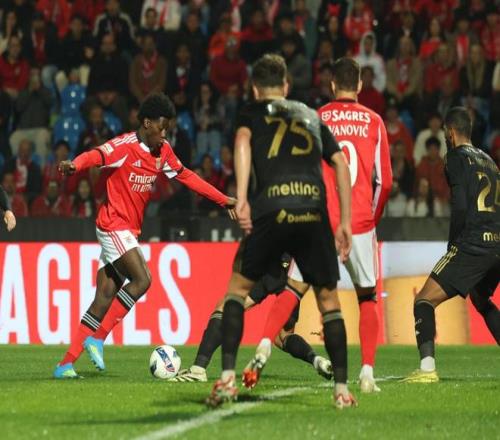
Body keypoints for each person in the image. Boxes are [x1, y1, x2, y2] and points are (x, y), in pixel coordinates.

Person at [206, 54, 355, 409]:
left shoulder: (252, 112)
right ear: (286, 86)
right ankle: (342, 390)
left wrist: (242, 197)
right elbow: (340, 163)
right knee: (329, 302)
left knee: (236, 292)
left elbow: (242, 143)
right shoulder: (311, 114)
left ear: (255, 89)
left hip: (272, 208)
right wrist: (346, 221)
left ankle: (227, 379)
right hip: (313, 211)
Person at [53, 93, 236, 379]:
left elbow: (188, 176)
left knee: (105, 295)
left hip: (128, 230)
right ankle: (98, 338)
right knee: (143, 279)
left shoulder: (163, 151)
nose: (165, 135)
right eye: (161, 128)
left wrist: (223, 200)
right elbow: (97, 155)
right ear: (147, 123)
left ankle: (65, 364)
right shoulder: (124, 146)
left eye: (168, 129)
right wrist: (75, 164)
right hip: (113, 224)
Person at [249, 57, 392, 394]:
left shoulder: (316, 117)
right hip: (359, 222)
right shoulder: (374, 121)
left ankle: (265, 345)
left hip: (318, 221)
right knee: (367, 298)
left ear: (332, 84)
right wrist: (370, 218)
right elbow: (384, 182)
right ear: (359, 85)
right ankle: (367, 373)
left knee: (293, 288)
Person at [402, 107, 500, 384]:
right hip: (497, 243)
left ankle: (427, 370)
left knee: (423, 299)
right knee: (481, 300)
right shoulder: (490, 161)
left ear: (451, 132)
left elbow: (460, 204)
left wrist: (453, 243)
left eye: (446, 133)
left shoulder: (455, 157)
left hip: (473, 242)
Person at [170, 257, 333, 383]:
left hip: (272, 265)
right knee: (283, 336)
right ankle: (316, 360)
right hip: (293, 272)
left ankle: (198, 369)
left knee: (226, 307)